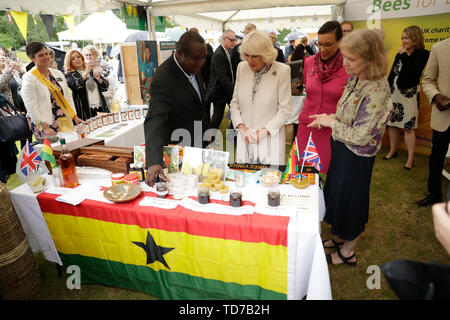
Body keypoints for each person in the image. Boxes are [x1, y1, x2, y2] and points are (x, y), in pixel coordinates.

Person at [309, 29, 392, 266]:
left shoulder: (377, 88)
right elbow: (348, 114)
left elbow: (361, 135)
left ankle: (348, 251)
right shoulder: (357, 77)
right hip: (342, 150)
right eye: (345, 57)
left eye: (351, 59)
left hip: (357, 157)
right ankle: (337, 238)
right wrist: (328, 116)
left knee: (352, 202)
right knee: (337, 195)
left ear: (370, 60)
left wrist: (331, 122)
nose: (345, 63)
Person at [144, 31, 209, 186]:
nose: (201, 63)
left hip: (199, 141)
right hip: (179, 150)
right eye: (196, 59)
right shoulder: (163, 78)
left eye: (204, 58)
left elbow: (198, 103)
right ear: (180, 54)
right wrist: (154, 160)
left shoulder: (192, 66)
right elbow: (155, 119)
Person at [230, 30, 292, 165]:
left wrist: (263, 132)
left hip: (270, 139)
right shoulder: (242, 67)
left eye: (255, 56)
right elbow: (234, 104)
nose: (250, 60)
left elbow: (285, 110)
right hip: (244, 138)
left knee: (269, 182)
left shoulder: (282, 71)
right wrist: (242, 128)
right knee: (243, 180)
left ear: (266, 54)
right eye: (247, 55)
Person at [296, 21, 350, 173]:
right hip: (306, 127)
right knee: (303, 174)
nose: (322, 49)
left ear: (340, 41)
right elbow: (308, 89)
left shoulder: (350, 66)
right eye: (319, 44)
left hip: (331, 130)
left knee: (331, 175)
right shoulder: (309, 62)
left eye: (328, 44)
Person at [384, 26, 429, 169]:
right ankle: (393, 150)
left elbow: (414, 73)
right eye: (402, 38)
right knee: (392, 123)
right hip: (394, 93)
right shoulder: (400, 52)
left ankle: (410, 158)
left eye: (406, 38)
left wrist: (404, 55)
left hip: (408, 95)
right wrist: (387, 87)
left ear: (415, 39)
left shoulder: (422, 54)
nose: (403, 41)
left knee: (409, 127)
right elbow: (393, 72)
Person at [21, 42, 82, 139]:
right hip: (45, 123)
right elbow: (31, 106)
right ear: (32, 58)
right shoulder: (29, 78)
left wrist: (74, 116)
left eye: (46, 54)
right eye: (41, 55)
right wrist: (44, 127)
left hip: (63, 119)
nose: (46, 57)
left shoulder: (57, 73)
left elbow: (67, 96)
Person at [417, 37, 450, 207]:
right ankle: (434, 194)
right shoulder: (439, 48)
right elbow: (428, 80)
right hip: (443, 117)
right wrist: (436, 96)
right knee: (437, 158)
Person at [0, 48, 25, 183]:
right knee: (9, 144)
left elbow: (22, 85)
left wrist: (20, 70)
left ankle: (25, 163)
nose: (3, 57)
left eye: (4, 55)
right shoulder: (7, 72)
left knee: (23, 137)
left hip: (17, 110)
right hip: (4, 115)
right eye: (0, 56)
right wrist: (7, 72)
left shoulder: (11, 71)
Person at [64, 47, 110, 120]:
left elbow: (105, 87)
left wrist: (99, 79)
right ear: (70, 62)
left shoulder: (93, 69)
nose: (76, 59)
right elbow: (75, 86)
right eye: (73, 58)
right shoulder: (69, 75)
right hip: (84, 110)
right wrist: (86, 72)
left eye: (78, 57)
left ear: (82, 58)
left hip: (101, 107)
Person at [206, 30, 237, 131]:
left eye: (235, 40)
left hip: (223, 91)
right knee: (217, 117)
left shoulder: (224, 52)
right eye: (231, 40)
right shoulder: (219, 54)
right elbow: (222, 78)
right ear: (224, 39)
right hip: (219, 92)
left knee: (234, 113)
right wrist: (233, 92)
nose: (234, 42)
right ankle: (208, 140)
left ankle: (232, 137)